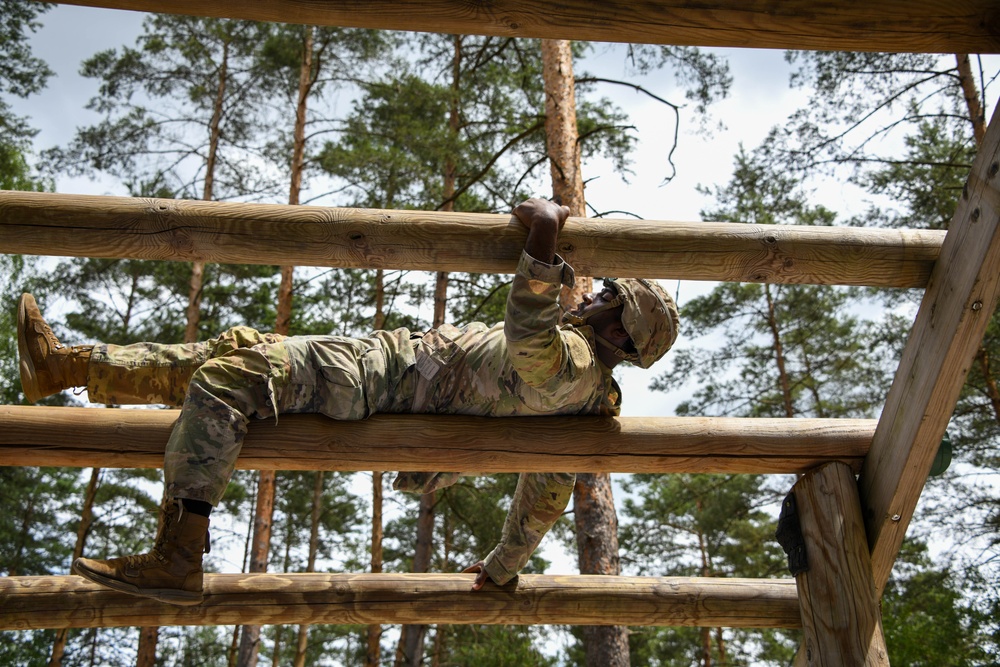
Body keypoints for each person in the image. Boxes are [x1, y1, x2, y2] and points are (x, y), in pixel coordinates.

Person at [17, 197, 679, 606]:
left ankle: (178, 555)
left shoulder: (576, 367)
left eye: (609, 298)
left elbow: (529, 342)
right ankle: (67, 367)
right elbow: (548, 490)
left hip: (374, 380)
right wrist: (505, 566)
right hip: (378, 365)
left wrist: (543, 238)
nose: (594, 294)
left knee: (229, 377)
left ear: (622, 334)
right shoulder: (585, 398)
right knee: (233, 348)